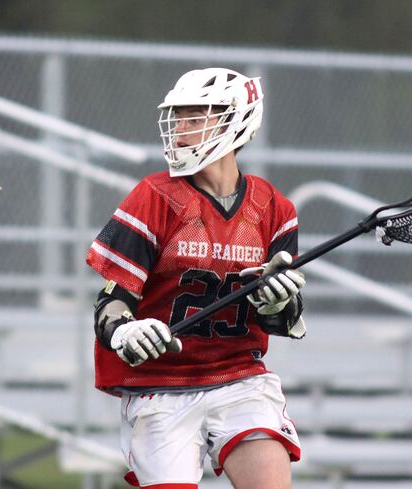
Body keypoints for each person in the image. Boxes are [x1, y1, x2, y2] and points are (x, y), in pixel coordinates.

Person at [86, 68, 307, 489]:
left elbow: (282, 322)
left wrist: (278, 303)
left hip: (238, 377)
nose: (180, 130)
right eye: (178, 118)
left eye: (194, 118)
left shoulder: (273, 208)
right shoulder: (155, 197)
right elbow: (111, 301)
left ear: (234, 120)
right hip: (160, 384)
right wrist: (124, 333)